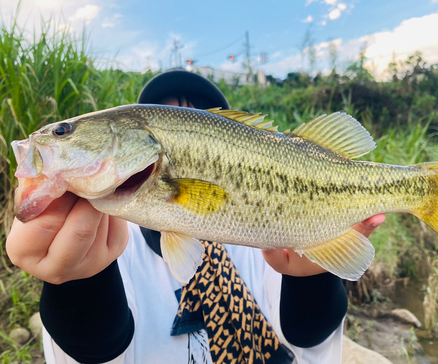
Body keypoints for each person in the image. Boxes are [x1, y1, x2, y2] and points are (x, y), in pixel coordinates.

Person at [6, 69, 386, 364]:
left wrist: (311, 282)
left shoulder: (263, 243)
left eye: (63, 132)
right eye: (171, 113)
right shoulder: (110, 243)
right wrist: (78, 284)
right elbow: (101, 349)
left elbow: (306, 337)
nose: (186, 118)